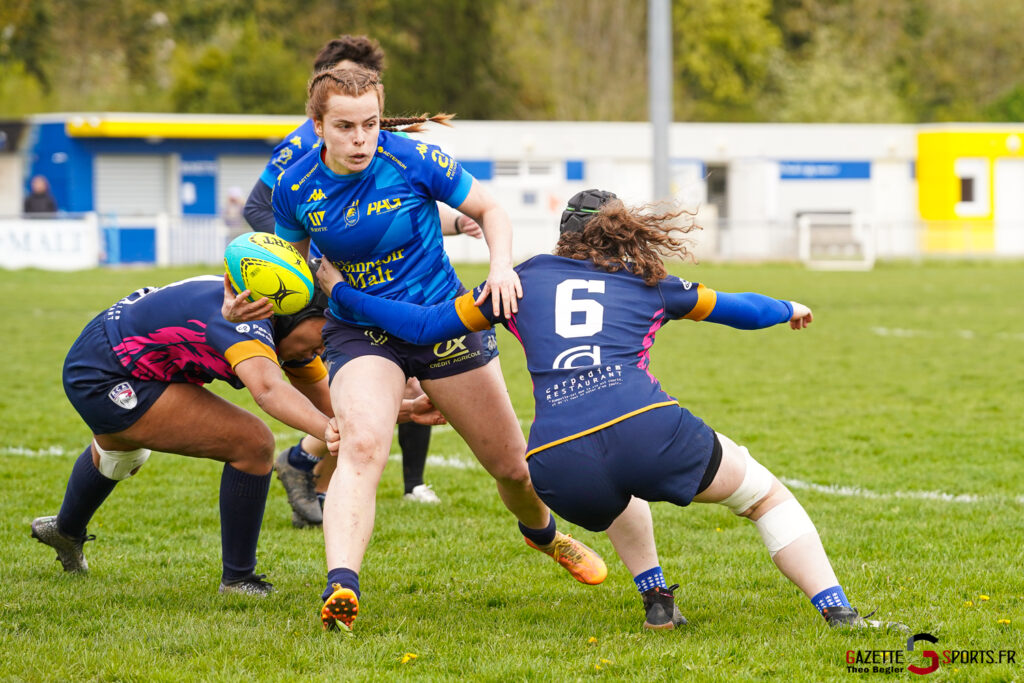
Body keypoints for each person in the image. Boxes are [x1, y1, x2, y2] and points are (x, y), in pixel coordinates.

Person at [318, 188, 907, 631]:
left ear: (563, 237)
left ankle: (656, 599)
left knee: (619, 489)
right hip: (644, 425)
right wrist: (787, 307)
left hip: (554, 460)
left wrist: (340, 292)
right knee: (766, 498)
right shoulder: (652, 282)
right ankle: (839, 613)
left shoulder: (520, 280)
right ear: (624, 232)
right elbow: (738, 308)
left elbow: (422, 325)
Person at [269, 63, 608, 631]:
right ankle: (341, 587)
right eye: (345, 127)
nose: (360, 139)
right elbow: (285, 267)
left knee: (512, 469)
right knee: (362, 446)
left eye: (370, 124)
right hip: (360, 333)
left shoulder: (412, 159)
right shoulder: (294, 186)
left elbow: (490, 210)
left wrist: (500, 268)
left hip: (444, 322)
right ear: (318, 125)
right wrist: (257, 300)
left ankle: (545, 536)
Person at [32, 275, 442, 595]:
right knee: (253, 443)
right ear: (296, 316)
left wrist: (403, 411)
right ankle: (238, 579)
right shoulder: (246, 318)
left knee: (120, 452)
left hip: (126, 362)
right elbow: (268, 390)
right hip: (105, 371)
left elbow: (336, 405)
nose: (319, 353)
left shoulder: (289, 335)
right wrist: (327, 431)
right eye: (320, 340)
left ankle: (64, 532)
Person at [244, 35, 479, 521]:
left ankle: (389, 480)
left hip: (384, 280)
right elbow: (258, 207)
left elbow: (392, 211)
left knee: (411, 374)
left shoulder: (388, 148)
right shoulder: (299, 149)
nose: (358, 130)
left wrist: (458, 222)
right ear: (320, 99)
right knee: (368, 392)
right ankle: (313, 466)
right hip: (328, 283)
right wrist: (299, 260)